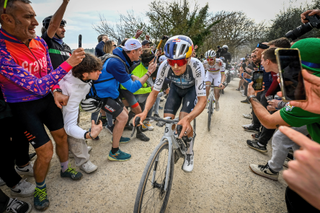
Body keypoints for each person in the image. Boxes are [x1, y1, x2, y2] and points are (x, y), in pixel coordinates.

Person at [0, 0, 85, 210]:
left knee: (62, 136)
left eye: (34, 16)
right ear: (7, 19)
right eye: (28, 17)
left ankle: (65, 168)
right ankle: (40, 187)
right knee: (45, 151)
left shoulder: (38, 42)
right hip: (23, 106)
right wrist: (69, 64)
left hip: (47, 100)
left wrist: (56, 90)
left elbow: (47, 72)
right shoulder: (2, 49)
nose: (36, 22)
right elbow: (36, 86)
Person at [133, 35, 206, 172]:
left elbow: (203, 100)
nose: (176, 66)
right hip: (175, 90)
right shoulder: (164, 66)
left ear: (189, 58)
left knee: (184, 120)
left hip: (191, 91)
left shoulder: (197, 65)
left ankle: (189, 152)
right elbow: (154, 93)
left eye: (181, 61)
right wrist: (144, 112)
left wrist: (188, 118)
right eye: (172, 62)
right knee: (168, 121)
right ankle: (172, 143)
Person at [88, 38, 157, 160]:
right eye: (139, 50)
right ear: (132, 52)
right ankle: (114, 152)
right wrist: (149, 73)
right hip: (102, 95)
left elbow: (119, 74)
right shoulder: (117, 62)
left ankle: (116, 137)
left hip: (111, 93)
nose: (141, 53)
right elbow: (132, 88)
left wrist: (131, 75)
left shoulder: (120, 58)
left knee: (124, 112)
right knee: (123, 117)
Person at [59, 53, 103, 174]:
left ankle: (72, 150)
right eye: (96, 70)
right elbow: (69, 126)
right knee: (71, 130)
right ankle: (83, 160)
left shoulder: (82, 77)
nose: (100, 72)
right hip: (61, 106)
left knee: (74, 127)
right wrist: (88, 134)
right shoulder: (70, 89)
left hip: (73, 102)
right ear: (84, 74)